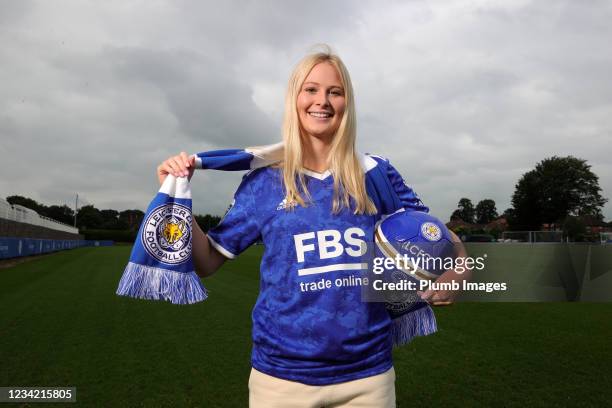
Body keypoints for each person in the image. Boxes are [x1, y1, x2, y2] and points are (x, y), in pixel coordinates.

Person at [156, 47, 459, 408]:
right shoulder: (263, 183)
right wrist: (177, 198)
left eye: (335, 91)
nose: (323, 101)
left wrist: (458, 270)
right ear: (295, 99)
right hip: (281, 378)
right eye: (311, 90)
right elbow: (206, 262)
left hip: (369, 376)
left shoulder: (374, 172)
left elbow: (439, 235)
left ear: (347, 102)